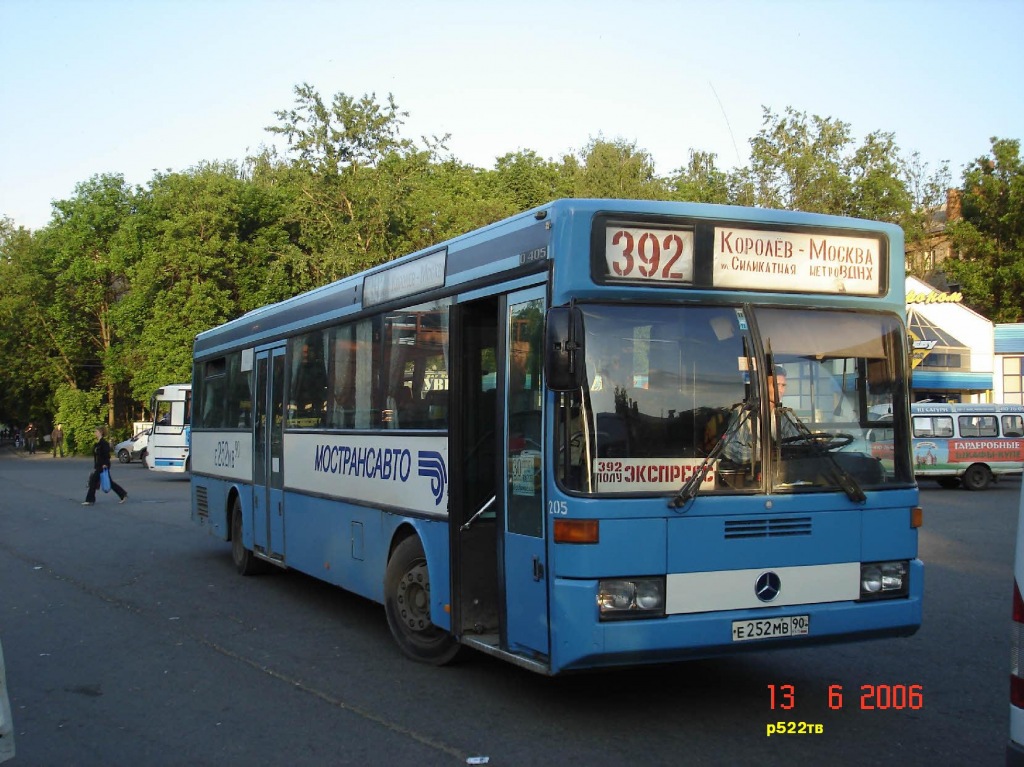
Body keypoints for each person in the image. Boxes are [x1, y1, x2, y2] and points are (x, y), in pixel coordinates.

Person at [721, 365, 801, 466]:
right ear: (762, 386)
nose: (780, 390)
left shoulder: (784, 415)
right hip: (753, 473)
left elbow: (796, 442)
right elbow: (729, 447)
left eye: (783, 385)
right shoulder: (746, 412)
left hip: (782, 472)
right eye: (775, 385)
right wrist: (764, 454)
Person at [82, 426, 127, 506]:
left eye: (96, 432)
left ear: (100, 433)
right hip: (98, 465)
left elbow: (107, 455)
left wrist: (105, 464)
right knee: (109, 482)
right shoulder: (98, 443)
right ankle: (123, 494)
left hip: (102, 466)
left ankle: (90, 499)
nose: (95, 433)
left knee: (93, 482)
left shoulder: (104, 443)